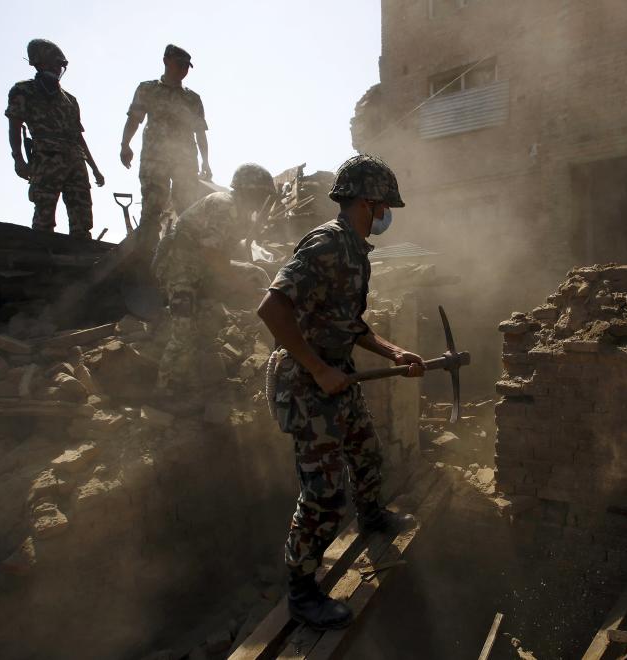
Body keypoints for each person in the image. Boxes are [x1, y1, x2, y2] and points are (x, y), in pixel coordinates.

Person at [257, 155, 425, 630]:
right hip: (305, 385)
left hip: (336, 375)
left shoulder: (356, 252)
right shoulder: (327, 245)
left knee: (367, 455)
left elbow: (350, 325)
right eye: (383, 207)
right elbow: (271, 309)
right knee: (324, 495)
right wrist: (318, 370)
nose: (385, 216)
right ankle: (302, 590)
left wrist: (394, 353)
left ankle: (372, 517)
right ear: (368, 203)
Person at [152, 163, 276, 400]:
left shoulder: (237, 212)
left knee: (255, 273)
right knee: (184, 330)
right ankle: (165, 392)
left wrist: (244, 279)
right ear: (249, 192)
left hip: (200, 269)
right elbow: (212, 254)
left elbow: (220, 256)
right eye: (261, 195)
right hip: (180, 270)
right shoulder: (224, 205)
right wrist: (235, 283)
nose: (262, 202)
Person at [6, 39, 105, 239]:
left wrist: (94, 168)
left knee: (82, 221)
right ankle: (42, 263)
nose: (59, 68)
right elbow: (15, 126)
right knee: (44, 219)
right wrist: (18, 159)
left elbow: (78, 137)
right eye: (55, 63)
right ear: (39, 62)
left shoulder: (70, 100)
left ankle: (83, 260)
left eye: (61, 64)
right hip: (46, 159)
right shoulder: (24, 90)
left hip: (76, 162)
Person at [120, 44, 211, 249]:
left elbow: (200, 133)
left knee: (188, 209)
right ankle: (145, 257)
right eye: (180, 64)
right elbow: (134, 119)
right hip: (155, 159)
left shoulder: (192, 98)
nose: (184, 70)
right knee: (152, 208)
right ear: (166, 61)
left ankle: (187, 255)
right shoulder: (148, 89)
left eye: (187, 66)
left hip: (185, 161)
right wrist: (125, 145)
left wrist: (206, 162)